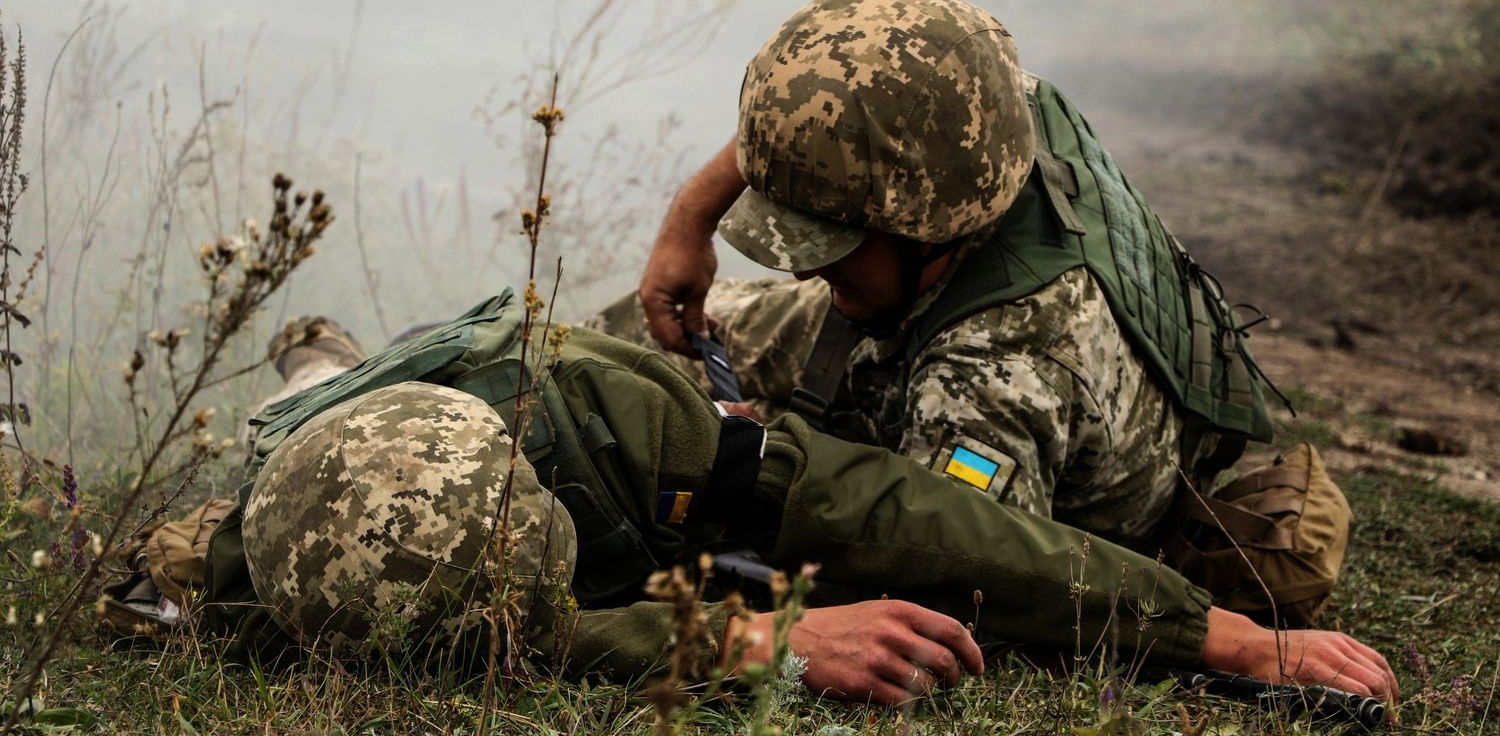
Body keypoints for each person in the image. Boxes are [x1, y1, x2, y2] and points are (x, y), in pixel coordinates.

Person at [192, 296, 1396, 708]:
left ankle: (325, 346)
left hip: (531, 397)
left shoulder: (620, 417)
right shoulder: (247, 573)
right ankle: (317, 355)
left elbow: (904, 514)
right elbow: (531, 638)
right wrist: (741, 641)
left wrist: (1215, 633)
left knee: (351, 363)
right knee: (318, 387)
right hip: (336, 446)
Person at [598, 0, 1347, 627]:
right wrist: (690, 221)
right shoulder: (978, 112)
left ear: (925, 220)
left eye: (832, 243)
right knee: (627, 348)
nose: (803, 274)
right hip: (926, 307)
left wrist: (754, 480)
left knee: (656, 438)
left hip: (1020, 448)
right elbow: (833, 115)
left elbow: (945, 587)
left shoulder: (994, 377)